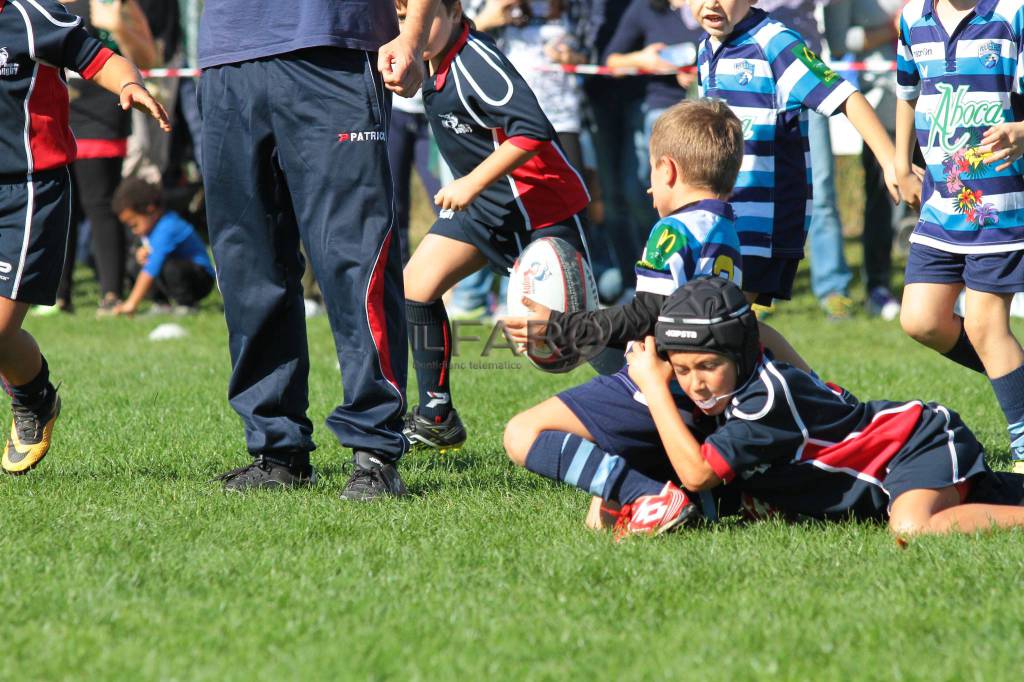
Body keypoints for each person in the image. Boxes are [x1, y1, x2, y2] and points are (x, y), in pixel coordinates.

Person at [503, 100, 807, 531]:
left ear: (667, 170)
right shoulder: (726, 230)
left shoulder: (672, 231)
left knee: (521, 433)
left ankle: (646, 494)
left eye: (650, 174)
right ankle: (700, 497)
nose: (649, 189)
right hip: (708, 391)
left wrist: (561, 325)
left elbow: (646, 316)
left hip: (664, 386)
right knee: (598, 519)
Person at [197, 0, 438, 497]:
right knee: (248, 265)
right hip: (227, 60)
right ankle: (276, 450)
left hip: (335, 51)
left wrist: (412, 34)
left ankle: (375, 452)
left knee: (355, 258)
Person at [617, 276, 1024, 539]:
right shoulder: (728, 388)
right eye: (682, 370)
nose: (695, 383)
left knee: (912, 527)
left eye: (708, 366)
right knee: (990, 495)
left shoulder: (767, 399)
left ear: (741, 356)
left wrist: (654, 387)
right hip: (894, 474)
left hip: (917, 442)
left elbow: (697, 472)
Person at [401, 0, 592, 452]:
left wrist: (469, 183)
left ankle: (652, 401)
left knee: (577, 338)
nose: (413, 28)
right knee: (416, 285)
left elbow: (533, 129)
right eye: (404, 18)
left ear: (452, 13)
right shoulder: (429, 60)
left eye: (423, 17)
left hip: (538, 208)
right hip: (488, 207)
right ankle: (436, 415)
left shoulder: (477, 61)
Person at [0, 0, 169, 475]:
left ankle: (33, 398)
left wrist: (131, 85)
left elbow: (100, 57)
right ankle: (33, 393)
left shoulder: (31, 18)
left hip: (27, 189)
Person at [689, 0, 899, 309]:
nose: (711, 3)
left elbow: (845, 97)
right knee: (731, 329)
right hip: (725, 214)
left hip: (766, 221)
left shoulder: (775, 43)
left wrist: (891, 163)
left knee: (721, 324)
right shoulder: (706, 48)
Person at [894, 0, 1024, 474]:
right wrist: (897, 158)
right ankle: (1014, 376)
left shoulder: (1012, 14)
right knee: (921, 320)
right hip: (939, 202)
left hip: (1000, 204)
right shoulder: (912, 17)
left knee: (986, 328)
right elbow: (908, 93)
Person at [63, 0, 160, 316]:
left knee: (100, 205)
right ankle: (56, 296)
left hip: (101, 117)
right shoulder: (35, 5)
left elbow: (149, 58)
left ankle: (111, 294)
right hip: (54, 115)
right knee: (60, 204)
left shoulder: (111, 2)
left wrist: (118, 26)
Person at [824, 0, 904, 320]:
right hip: (881, 110)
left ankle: (957, 287)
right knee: (881, 202)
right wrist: (891, 29)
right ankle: (878, 288)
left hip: (938, 104)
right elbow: (839, 43)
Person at [109, 178, 214, 315]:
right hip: (174, 272)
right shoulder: (150, 227)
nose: (134, 231)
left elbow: (152, 268)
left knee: (169, 268)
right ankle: (161, 304)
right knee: (136, 264)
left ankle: (187, 304)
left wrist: (131, 303)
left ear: (150, 209)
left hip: (200, 278)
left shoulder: (168, 225)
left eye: (134, 224)